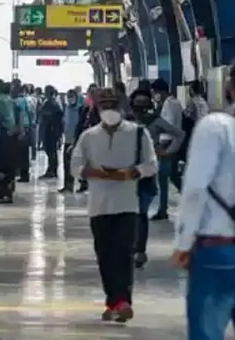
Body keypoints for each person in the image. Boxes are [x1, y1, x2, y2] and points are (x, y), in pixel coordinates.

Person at [71, 88, 158, 322]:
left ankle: (123, 301)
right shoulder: (88, 137)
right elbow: (75, 165)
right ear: (98, 109)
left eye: (112, 105)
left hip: (127, 205)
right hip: (98, 206)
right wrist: (93, 172)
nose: (109, 110)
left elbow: (152, 164)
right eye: (104, 106)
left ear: (121, 108)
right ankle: (113, 301)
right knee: (105, 255)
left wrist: (132, 173)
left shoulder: (138, 134)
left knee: (123, 253)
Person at [173, 61, 235, 339]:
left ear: (231, 88)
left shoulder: (216, 126)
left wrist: (183, 243)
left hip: (219, 249)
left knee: (207, 332)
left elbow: (195, 188)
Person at [129, 89, 184, 268]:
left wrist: (166, 152)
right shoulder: (125, 122)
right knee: (130, 214)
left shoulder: (153, 122)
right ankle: (132, 249)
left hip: (145, 172)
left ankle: (139, 250)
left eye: (144, 104)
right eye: (138, 104)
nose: (141, 108)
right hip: (126, 173)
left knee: (141, 213)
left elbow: (179, 134)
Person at [151, 78, 184, 221]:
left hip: (167, 143)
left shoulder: (169, 104)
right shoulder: (174, 102)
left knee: (163, 178)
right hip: (172, 142)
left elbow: (168, 124)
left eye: (155, 92)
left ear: (161, 91)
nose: (155, 95)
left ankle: (162, 210)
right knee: (173, 176)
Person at [0, 79, 17, 203]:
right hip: (11, 133)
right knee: (9, 164)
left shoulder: (0, 100)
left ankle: (4, 193)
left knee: (0, 165)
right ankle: (9, 191)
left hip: (4, 133)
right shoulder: (9, 99)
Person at [38, 85, 63, 179]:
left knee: (51, 150)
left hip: (51, 129)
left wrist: (46, 113)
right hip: (51, 129)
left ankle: (52, 170)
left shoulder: (51, 102)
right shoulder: (54, 101)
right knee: (51, 150)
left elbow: (57, 114)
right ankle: (51, 169)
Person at [59, 89, 81, 192]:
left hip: (76, 141)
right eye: (68, 97)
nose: (70, 99)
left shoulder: (80, 110)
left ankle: (77, 184)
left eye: (71, 97)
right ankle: (67, 185)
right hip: (67, 139)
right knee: (66, 163)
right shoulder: (66, 109)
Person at [12, 81, 32, 182]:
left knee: (21, 153)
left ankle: (23, 174)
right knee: (24, 153)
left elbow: (20, 116)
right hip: (26, 127)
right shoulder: (24, 100)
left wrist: (21, 131)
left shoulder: (17, 101)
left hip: (22, 128)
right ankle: (25, 174)